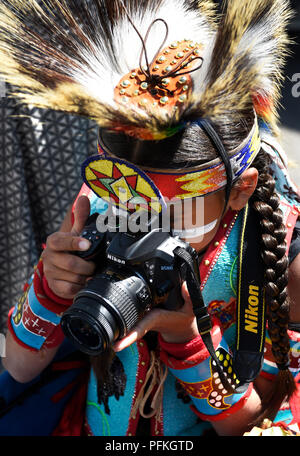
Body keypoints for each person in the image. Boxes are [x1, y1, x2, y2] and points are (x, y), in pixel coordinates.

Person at [0, 0, 300, 437]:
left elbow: (267, 427)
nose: (145, 227)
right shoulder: (102, 210)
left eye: (178, 212)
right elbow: (18, 367)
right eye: (130, 205)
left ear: (241, 189)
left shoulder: (283, 258)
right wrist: (49, 288)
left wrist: (189, 341)